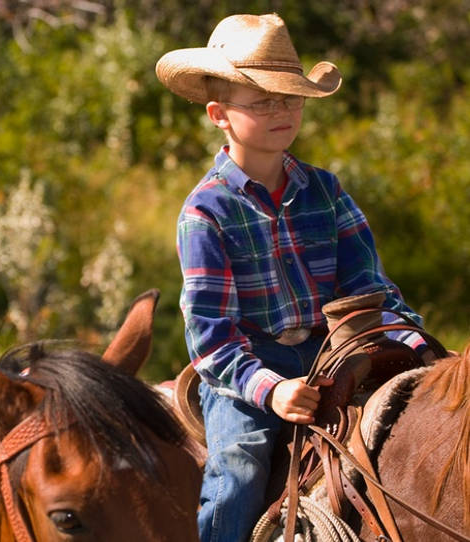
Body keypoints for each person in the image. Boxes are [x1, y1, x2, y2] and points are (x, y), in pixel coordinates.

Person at [155, 13, 430, 542]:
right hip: (248, 365)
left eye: (290, 97)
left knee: (413, 425)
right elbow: (210, 336)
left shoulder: (325, 191)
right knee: (239, 466)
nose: (281, 110)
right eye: (262, 101)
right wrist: (273, 390)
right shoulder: (205, 213)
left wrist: (413, 341)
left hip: (335, 350)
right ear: (220, 115)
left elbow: (368, 290)